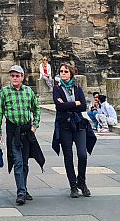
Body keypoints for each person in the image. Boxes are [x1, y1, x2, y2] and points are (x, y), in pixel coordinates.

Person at [0, 65, 42, 206]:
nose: (15, 78)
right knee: (18, 162)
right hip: (13, 132)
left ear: (22, 77)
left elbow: (36, 108)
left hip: (27, 131)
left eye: (17, 76)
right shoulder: (4, 92)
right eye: (12, 76)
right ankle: (21, 192)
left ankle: (24, 188)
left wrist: (35, 125)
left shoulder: (28, 91)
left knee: (25, 162)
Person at [52, 63, 94, 198]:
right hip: (64, 126)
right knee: (68, 156)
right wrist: (74, 103)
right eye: (61, 71)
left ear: (71, 73)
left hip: (78, 124)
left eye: (65, 71)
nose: (63, 73)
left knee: (82, 154)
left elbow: (83, 106)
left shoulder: (77, 88)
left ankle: (82, 181)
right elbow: (59, 106)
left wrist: (69, 105)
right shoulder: (57, 89)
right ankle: (73, 186)